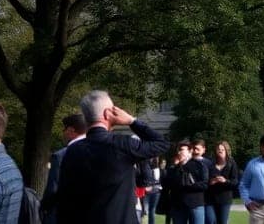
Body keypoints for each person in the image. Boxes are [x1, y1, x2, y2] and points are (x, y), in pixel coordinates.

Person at [56, 91, 171, 224]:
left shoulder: (72, 151)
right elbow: (161, 144)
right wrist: (132, 121)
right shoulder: (123, 144)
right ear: (107, 113)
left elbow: (65, 196)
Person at [40, 113, 87, 224]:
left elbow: (53, 189)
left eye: (64, 129)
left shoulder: (61, 156)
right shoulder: (99, 152)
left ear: (71, 130)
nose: (63, 133)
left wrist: (43, 207)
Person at [209, 141, 242, 224]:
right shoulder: (211, 163)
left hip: (225, 199)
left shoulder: (231, 163)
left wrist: (225, 181)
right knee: (211, 221)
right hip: (211, 198)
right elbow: (206, 180)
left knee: (222, 221)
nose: (220, 151)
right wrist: (211, 181)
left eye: (222, 149)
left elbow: (235, 182)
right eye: (218, 149)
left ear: (226, 150)